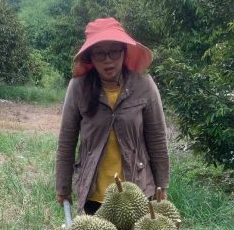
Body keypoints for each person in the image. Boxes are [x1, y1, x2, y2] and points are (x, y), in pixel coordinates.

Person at [55, 17, 170, 214]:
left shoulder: (144, 86)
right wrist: (63, 188)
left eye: (114, 52)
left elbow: (157, 140)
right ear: (91, 57)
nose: (108, 60)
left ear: (124, 53)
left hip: (137, 191)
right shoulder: (78, 88)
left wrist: (162, 186)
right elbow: (66, 141)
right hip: (95, 194)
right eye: (99, 54)